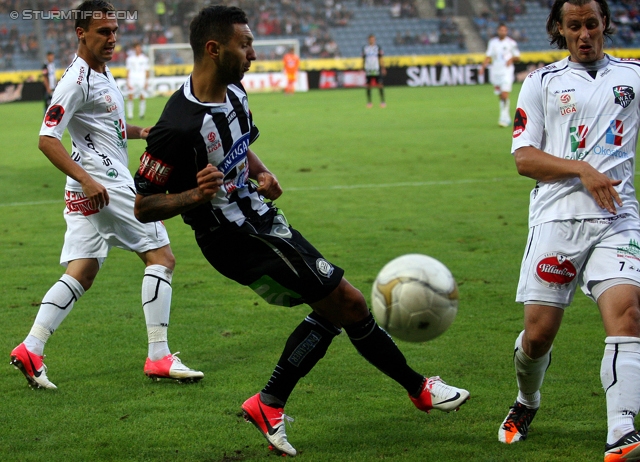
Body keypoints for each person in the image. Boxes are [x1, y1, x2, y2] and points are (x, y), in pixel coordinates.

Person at [133, 5, 469, 457]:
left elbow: (243, 144)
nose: (253, 53)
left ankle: (269, 403)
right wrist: (192, 197)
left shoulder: (234, 92)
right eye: (244, 44)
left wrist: (263, 173)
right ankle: (418, 389)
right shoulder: (175, 127)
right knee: (347, 301)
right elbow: (143, 206)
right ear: (214, 49)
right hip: (236, 241)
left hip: (263, 220)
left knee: (336, 306)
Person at [10, 0, 203, 390]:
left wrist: (139, 131)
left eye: (115, 31)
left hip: (91, 183)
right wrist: (86, 179)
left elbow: (102, 125)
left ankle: (31, 348)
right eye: (103, 32)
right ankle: (159, 357)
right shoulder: (76, 80)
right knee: (162, 257)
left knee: (83, 269)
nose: (112, 38)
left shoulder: (102, 71)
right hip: (103, 184)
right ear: (81, 33)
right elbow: (47, 140)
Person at [498, 1, 640, 461]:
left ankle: (622, 430)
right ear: (559, 29)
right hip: (557, 219)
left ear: (605, 25)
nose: (584, 34)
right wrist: (582, 169)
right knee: (538, 337)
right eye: (574, 26)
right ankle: (527, 401)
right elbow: (524, 159)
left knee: (629, 315)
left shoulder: (633, 76)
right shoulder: (541, 82)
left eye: (591, 24)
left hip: (618, 216)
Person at [479, 24, 520, 127]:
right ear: (498, 31)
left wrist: (511, 59)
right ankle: (507, 118)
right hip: (496, 72)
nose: (503, 32)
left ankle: (503, 118)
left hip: (506, 72)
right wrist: (483, 68)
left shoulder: (511, 43)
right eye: (501, 30)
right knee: (500, 95)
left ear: (507, 31)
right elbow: (488, 56)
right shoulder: (492, 43)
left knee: (505, 94)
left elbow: (518, 57)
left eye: (505, 30)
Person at [125, 43, 149, 120]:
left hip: (141, 79)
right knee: (130, 96)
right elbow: (128, 70)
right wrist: (128, 81)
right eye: (136, 48)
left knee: (142, 96)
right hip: (132, 78)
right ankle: (130, 115)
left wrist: (146, 81)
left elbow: (146, 71)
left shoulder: (145, 59)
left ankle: (141, 114)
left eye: (139, 48)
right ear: (134, 49)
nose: (138, 50)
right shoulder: (130, 59)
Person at [362, 34, 385, 108]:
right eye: (370, 39)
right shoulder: (365, 48)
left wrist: (383, 67)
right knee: (368, 86)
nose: (372, 40)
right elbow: (363, 59)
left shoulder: (378, 48)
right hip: (368, 68)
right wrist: (362, 67)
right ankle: (369, 102)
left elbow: (381, 58)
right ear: (368, 40)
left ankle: (382, 101)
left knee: (380, 85)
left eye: (373, 39)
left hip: (376, 68)